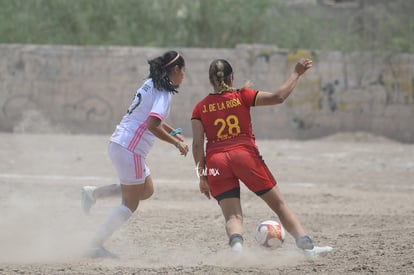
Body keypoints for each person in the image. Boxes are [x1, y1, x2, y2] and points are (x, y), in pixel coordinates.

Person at [191, 58, 332, 258]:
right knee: (279, 206)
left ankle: (238, 250)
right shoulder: (242, 95)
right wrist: (297, 73)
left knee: (232, 215)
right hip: (244, 157)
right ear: (232, 77)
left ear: (210, 80)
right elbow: (278, 97)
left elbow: (197, 145)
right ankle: (308, 249)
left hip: (216, 162)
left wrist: (202, 177)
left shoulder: (200, 107)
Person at [82, 50, 189, 258]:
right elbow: (152, 125)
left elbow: (151, 117)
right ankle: (94, 245)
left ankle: (93, 193)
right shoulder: (164, 93)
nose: (184, 77)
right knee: (130, 203)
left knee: (146, 190)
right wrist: (176, 143)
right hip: (130, 149)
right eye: (183, 72)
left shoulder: (151, 84)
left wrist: (172, 131)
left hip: (120, 143)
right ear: (175, 69)